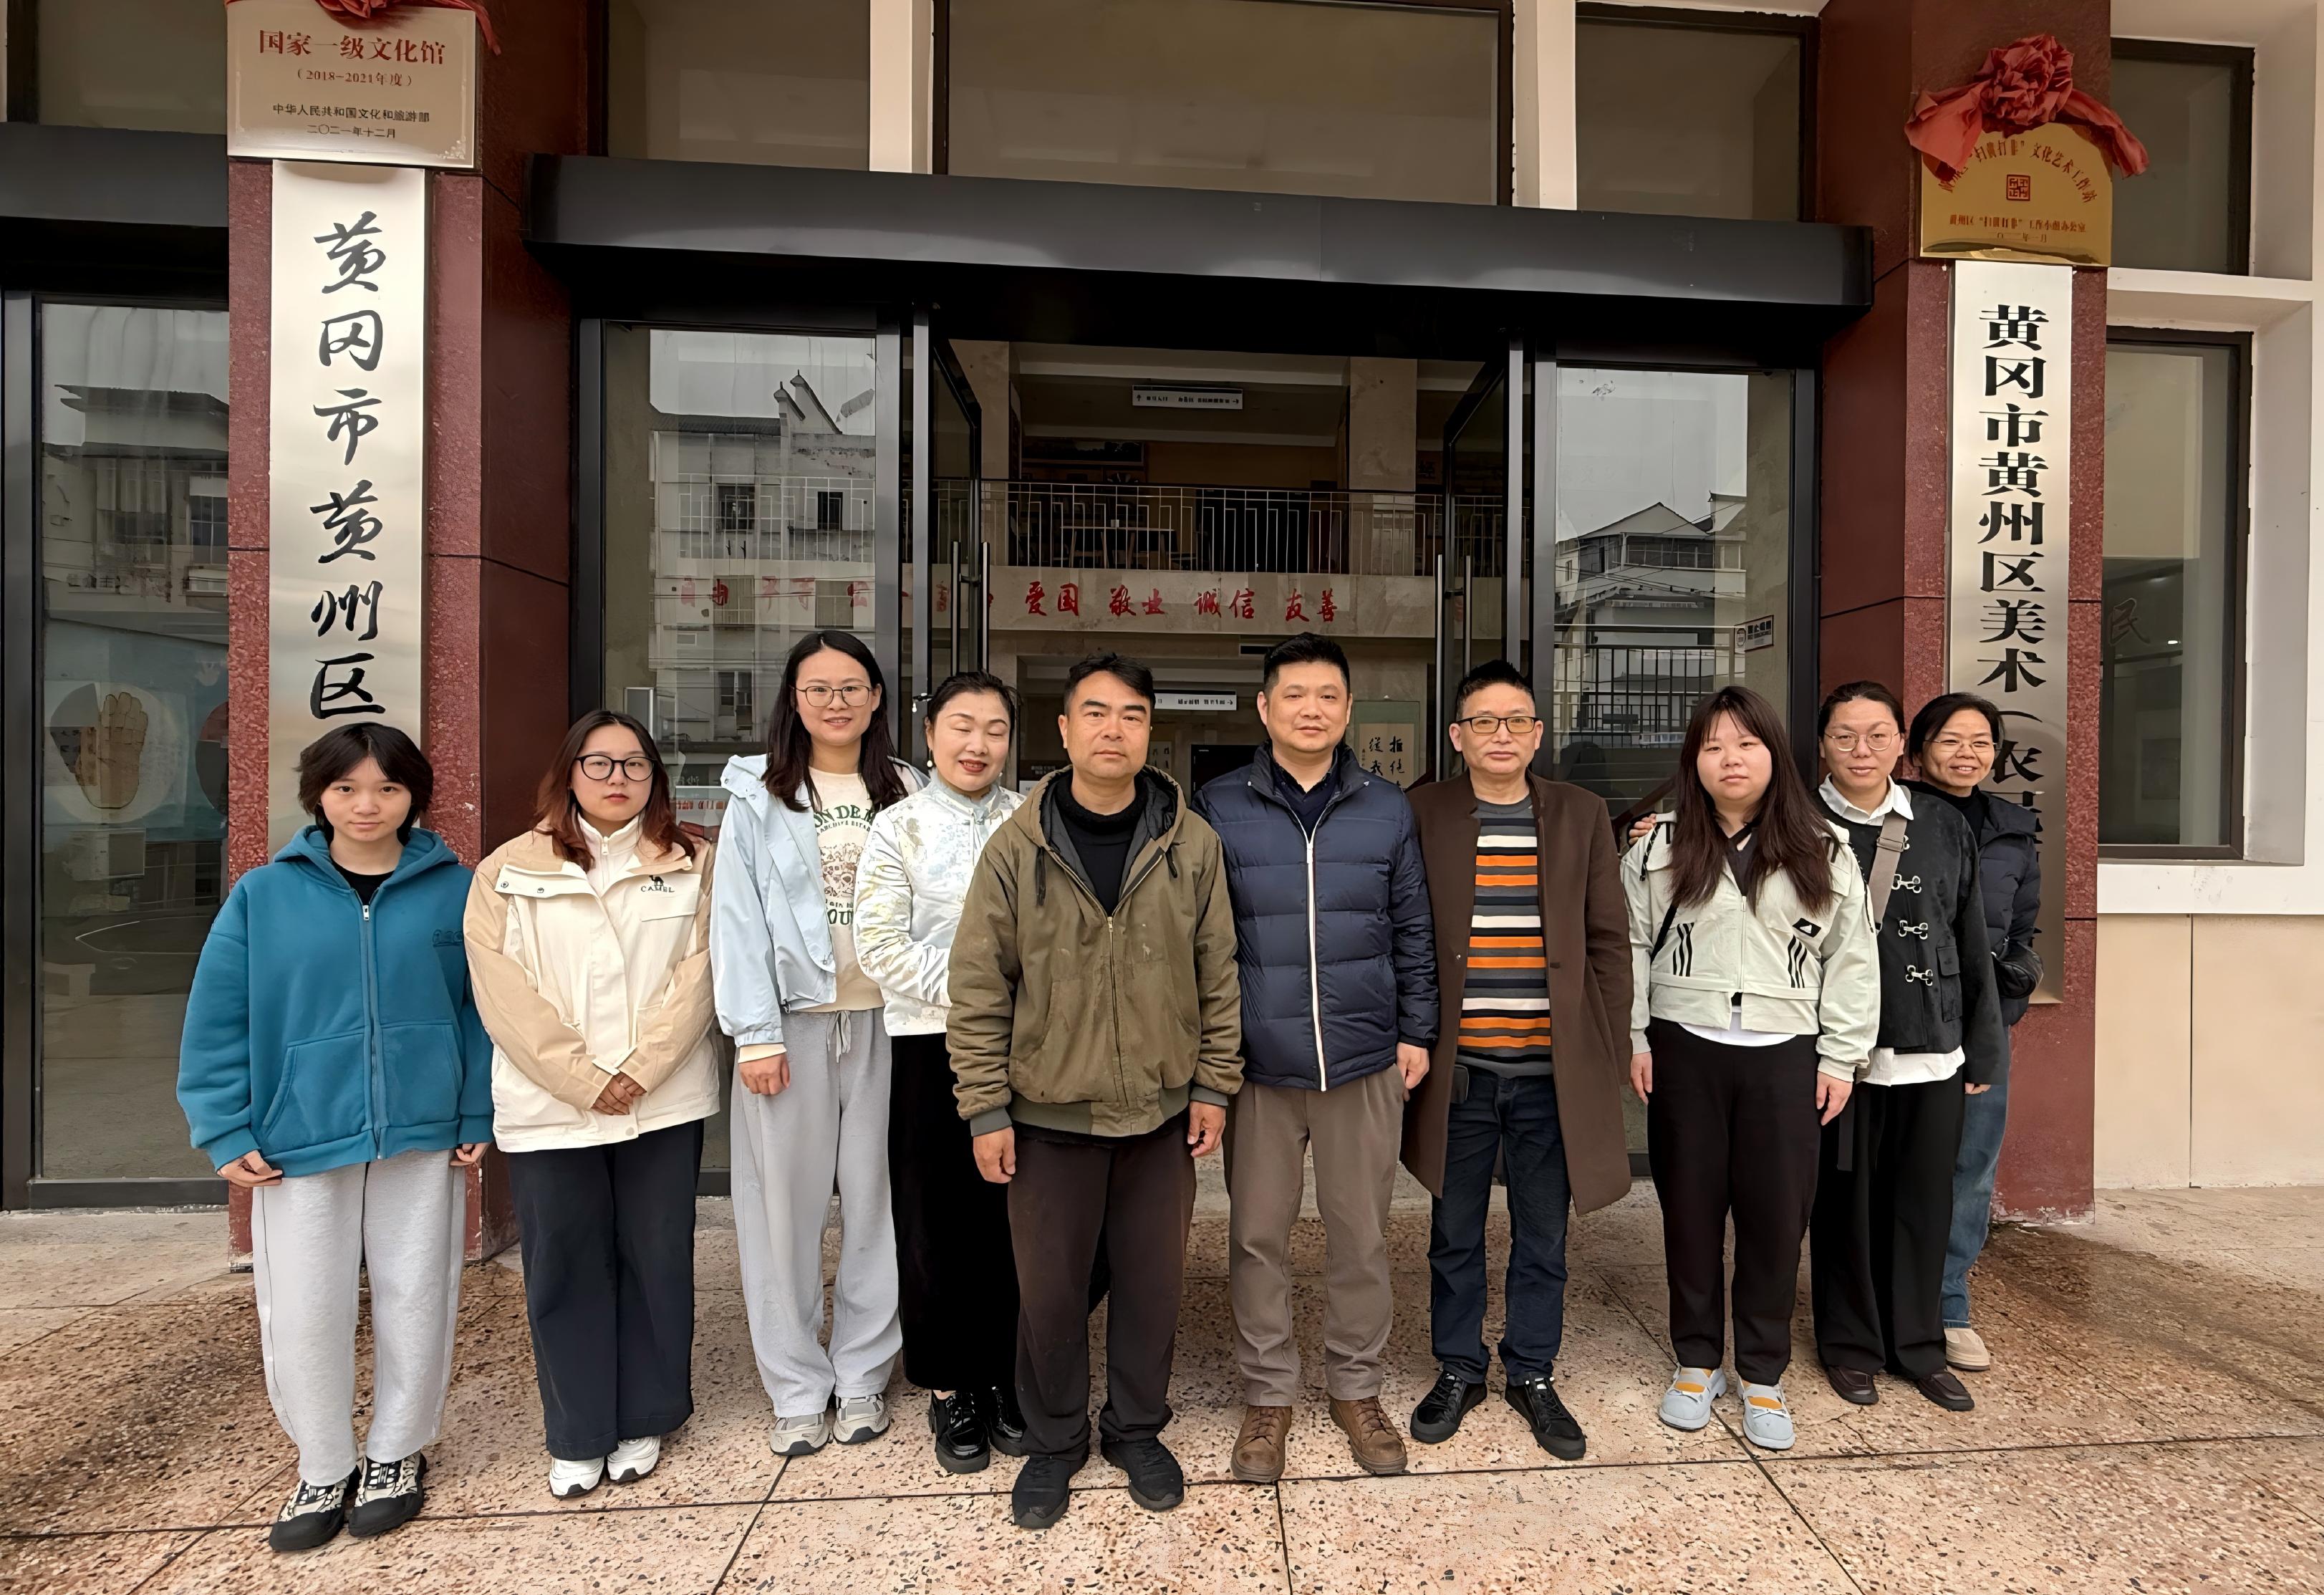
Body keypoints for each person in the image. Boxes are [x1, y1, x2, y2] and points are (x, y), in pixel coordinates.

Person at [177, 724, 491, 1553]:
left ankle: (396, 1450)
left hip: (422, 1128)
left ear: (413, 796)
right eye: (347, 787)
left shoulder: (455, 890)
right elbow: (217, 1018)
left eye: (387, 788)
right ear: (318, 794)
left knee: (416, 1292)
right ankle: (322, 1460)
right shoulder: (264, 895)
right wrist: (223, 1126)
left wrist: (477, 1111)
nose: (366, 805)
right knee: (304, 1305)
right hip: (298, 1135)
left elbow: (480, 1011)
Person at [947, 652, 1241, 1532]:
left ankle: (1136, 1429)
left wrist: (1213, 1084)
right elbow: (978, 985)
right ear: (1064, 729)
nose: (1114, 730)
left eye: (1131, 715)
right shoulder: (1017, 847)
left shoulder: (1189, 843)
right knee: (1049, 1292)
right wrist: (985, 1108)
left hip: (1159, 1112)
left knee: (1152, 1288)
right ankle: (1053, 1440)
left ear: (1149, 730)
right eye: (1096, 713)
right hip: (1046, 1116)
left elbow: (1218, 973)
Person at [1192, 633, 1438, 1483]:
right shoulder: (1217, 805)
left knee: (1361, 1238)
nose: (1310, 709)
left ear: (1347, 709)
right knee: (1256, 1237)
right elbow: (1201, 939)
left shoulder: (1385, 806)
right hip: (1257, 1067)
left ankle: (1355, 1386)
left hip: (1361, 1060)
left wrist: (1415, 1031)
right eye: (1293, 694)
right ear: (1264, 708)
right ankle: (1268, 1394)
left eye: (1327, 695)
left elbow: (1412, 927)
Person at [465, 711, 718, 1500]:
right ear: (569, 771)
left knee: (655, 1254)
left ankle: (645, 1413)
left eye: (634, 764)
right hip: (549, 1104)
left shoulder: (692, 863)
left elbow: (703, 971)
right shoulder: (508, 869)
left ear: (656, 777)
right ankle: (577, 1430)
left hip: (661, 1096)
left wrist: (640, 1069)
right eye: (599, 763)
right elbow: (501, 990)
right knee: (563, 1261)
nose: (617, 779)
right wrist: (582, 1078)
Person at [1624, 685, 1877, 1452]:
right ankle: (1696, 1360)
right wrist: (1634, 1035)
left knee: (1775, 1218)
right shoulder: (1657, 846)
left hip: (1785, 1056)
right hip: (1683, 1048)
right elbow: (1627, 944)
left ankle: (1762, 1371)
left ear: (1774, 754)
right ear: (1692, 761)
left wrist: (1840, 1054)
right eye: (1712, 746)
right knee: (1689, 1212)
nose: (1729, 759)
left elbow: (1852, 957)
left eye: (1745, 743)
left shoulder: (1822, 848)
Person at [1400, 660, 1632, 1461]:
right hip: (1458, 1073)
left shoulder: (1579, 812)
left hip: (1549, 1075)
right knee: (1453, 1232)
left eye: (1516, 721)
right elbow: (1405, 932)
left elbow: (1607, 941)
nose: (1500, 735)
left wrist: (1608, 1050)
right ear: (1457, 735)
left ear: (1537, 734)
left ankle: (1531, 1369)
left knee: (1543, 1235)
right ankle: (1458, 1367)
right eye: (1483, 721)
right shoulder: (1422, 812)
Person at [710, 630, 921, 1458]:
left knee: (879, 1207)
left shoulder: (907, 788)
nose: (836, 702)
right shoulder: (759, 794)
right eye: (818, 689)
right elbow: (735, 920)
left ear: (876, 698)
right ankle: (797, 1388)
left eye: (851, 687)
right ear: (793, 702)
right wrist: (755, 1034)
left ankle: (863, 1374)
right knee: (781, 1218)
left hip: (887, 1026)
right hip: (789, 1031)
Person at [1810, 683, 2005, 1413]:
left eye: (1877, 734)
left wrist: (1980, 1048)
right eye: (1843, 735)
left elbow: (1969, 934)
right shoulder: (1796, 821)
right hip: (1838, 1056)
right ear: (1822, 745)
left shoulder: (1940, 822)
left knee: (1923, 1203)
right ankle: (1849, 1345)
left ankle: (1918, 1346)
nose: (1860, 750)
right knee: (1844, 1206)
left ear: (1901, 743)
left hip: (1933, 1047)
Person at [852, 672, 1029, 1474]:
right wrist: (985, 990)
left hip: (1028, 1046)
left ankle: (1006, 1373)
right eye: (962, 726)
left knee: (1015, 1222)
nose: (977, 744)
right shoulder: (897, 827)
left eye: (994, 729)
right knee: (934, 1223)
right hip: (931, 1045)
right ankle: (949, 1384)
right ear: (929, 735)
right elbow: (880, 947)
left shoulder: (1033, 818)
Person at [1905, 691, 2041, 1374]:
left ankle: (1948, 1302)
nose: (1967, 753)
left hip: (1982, 1024)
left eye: (1981, 742)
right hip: (1908, 1017)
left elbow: (2023, 925)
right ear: (1918, 750)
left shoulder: (2013, 828)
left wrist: (2016, 976)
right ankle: (1892, 1296)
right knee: (1899, 1163)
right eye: (1951, 740)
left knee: (1971, 1166)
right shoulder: (1895, 815)